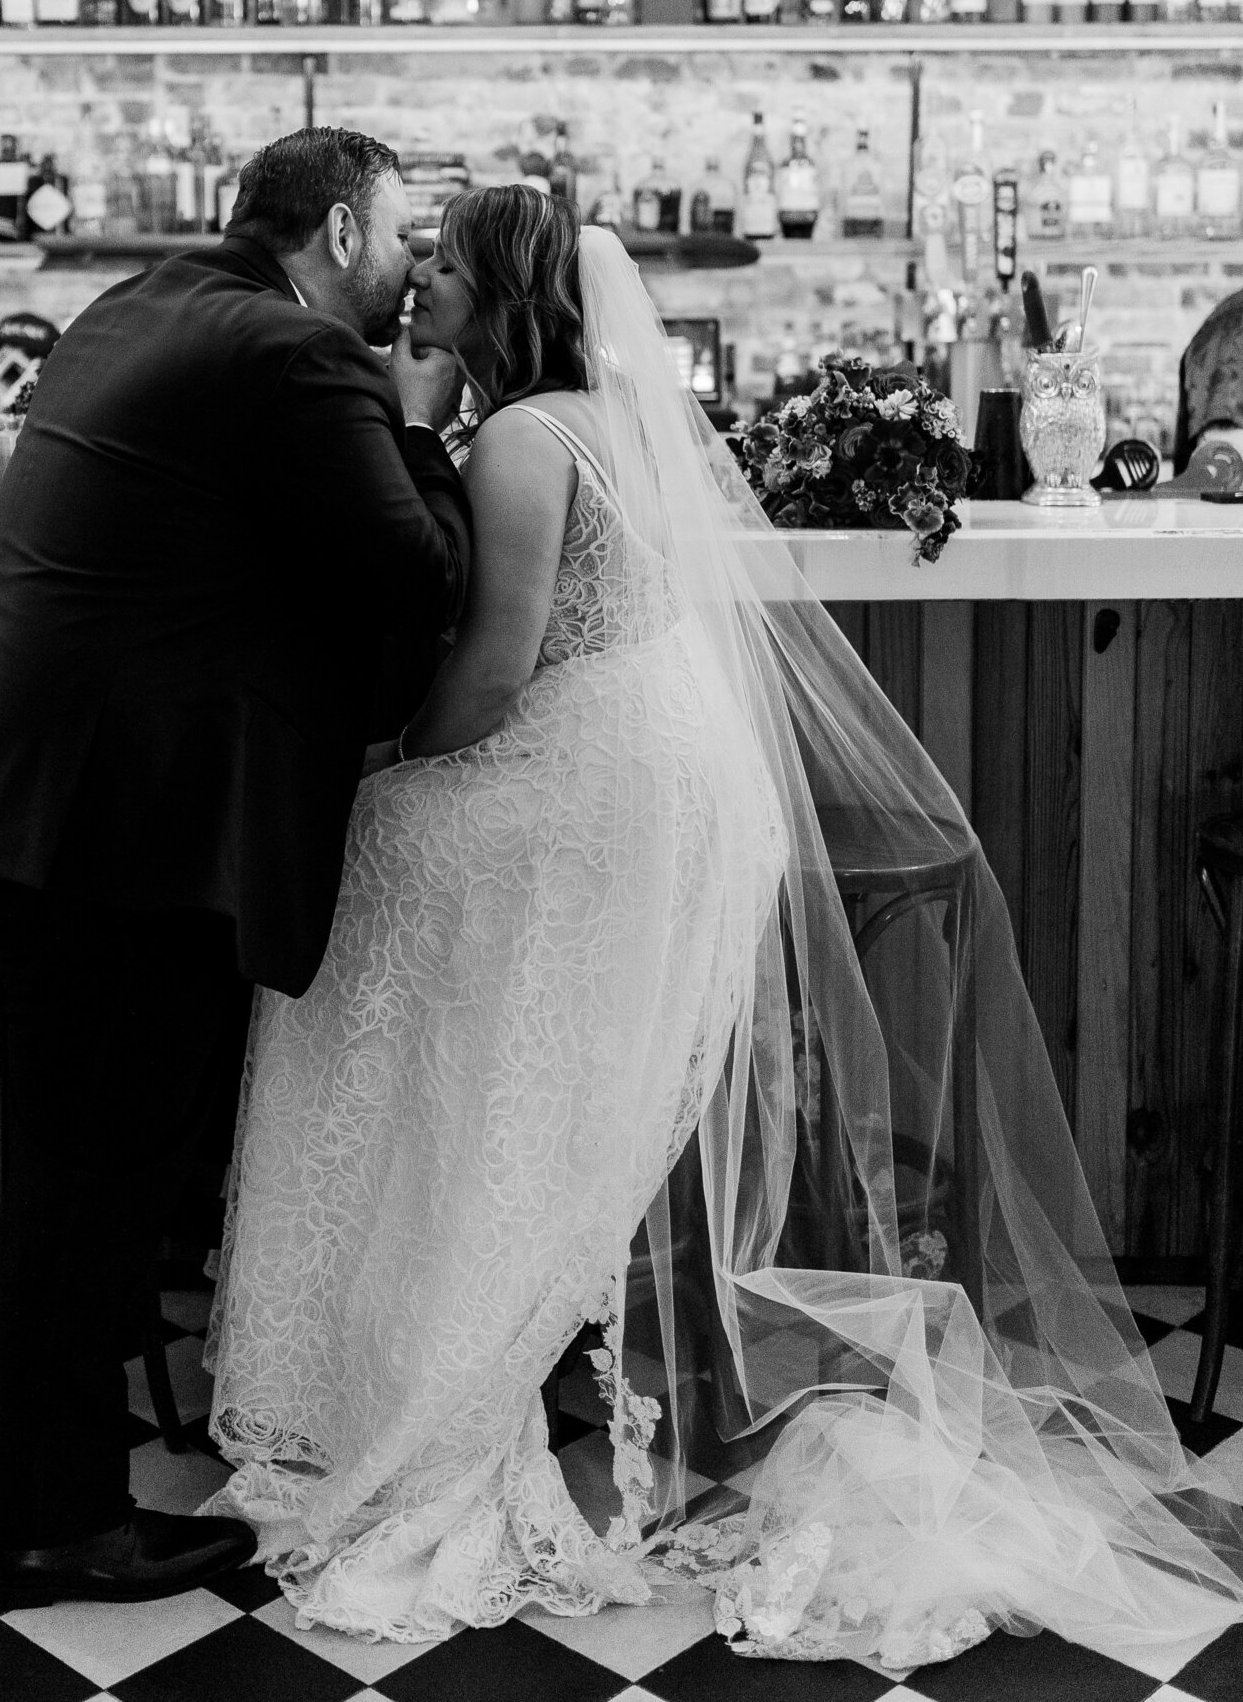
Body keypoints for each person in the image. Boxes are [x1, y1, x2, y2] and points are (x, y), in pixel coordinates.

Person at [202, 185, 1243, 1678]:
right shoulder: (621, 414)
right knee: (385, 862)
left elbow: (491, 681)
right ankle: (461, 1259)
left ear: (499, 298)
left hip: (592, 780)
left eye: (440, 270)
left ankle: (420, 1323)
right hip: (677, 774)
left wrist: (372, 767)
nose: (414, 286)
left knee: (359, 864)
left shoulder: (515, 439)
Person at [0, 127, 470, 1610]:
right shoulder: (298, 361)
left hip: (26, 796)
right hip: (107, 831)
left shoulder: (142, 300)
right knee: (95, 1182)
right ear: (341, 233)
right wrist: (419, 420)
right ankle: (50, 1523)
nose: (415, 266)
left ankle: (34, 1497)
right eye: (405, 233)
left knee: (73, 1174)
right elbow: (416, 572)